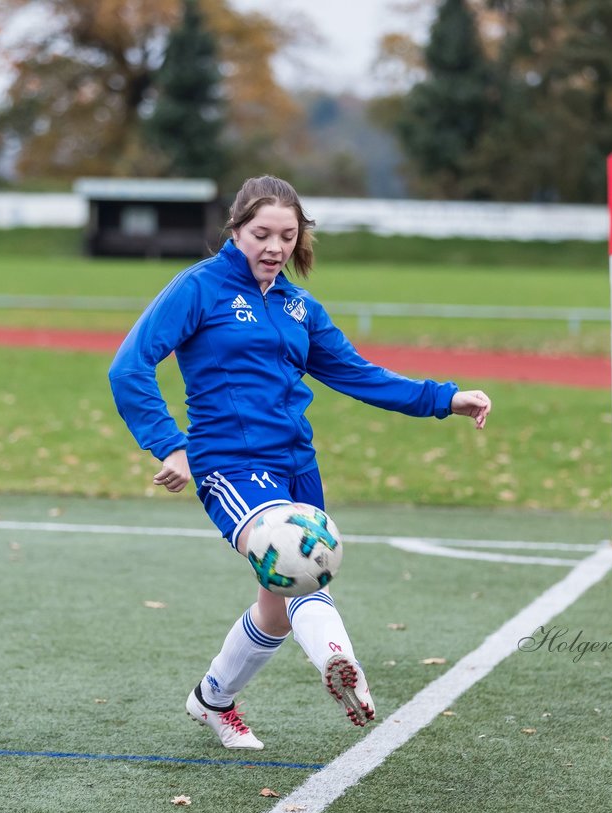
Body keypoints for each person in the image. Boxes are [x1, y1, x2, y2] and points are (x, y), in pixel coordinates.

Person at [108, 175, 491, 750]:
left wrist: (445, 399)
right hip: (229, 465)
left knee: (280, 608)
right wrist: (171, 446)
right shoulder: (199, 288)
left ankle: (212, 700)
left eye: (287, 236)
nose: (273, 247)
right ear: (236, 230)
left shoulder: (298, 305)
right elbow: (129, 367)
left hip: (296, 465)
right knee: (299, 555)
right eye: (261, 233)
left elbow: (359, 375)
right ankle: (341, 662)